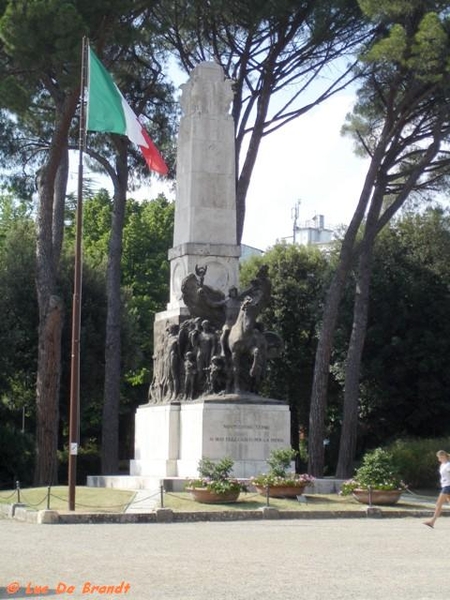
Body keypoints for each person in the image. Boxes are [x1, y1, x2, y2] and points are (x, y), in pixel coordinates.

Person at [424, 450, 450, 528]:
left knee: (439, 504)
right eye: (438, 458)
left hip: (447, 486)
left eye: (440, 457)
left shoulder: (448, 465)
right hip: (445, 485)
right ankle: (432, 522)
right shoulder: (442, 464)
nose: (439, 459)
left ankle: (432, 522)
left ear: (444, 456)